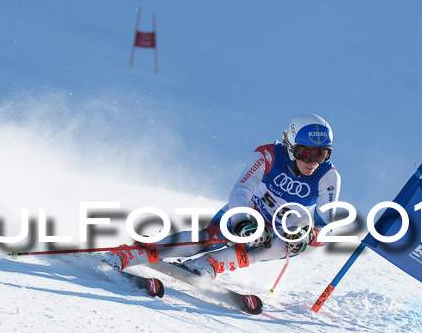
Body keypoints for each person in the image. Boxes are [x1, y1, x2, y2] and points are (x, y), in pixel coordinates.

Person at [104, 113, 341, 280]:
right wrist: (243, 222)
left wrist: (311, 235)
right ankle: (132, 253)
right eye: (306, 153)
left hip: (279, 228)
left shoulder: (328, 176)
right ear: (290, 146)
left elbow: (326, 224)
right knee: (212, 238)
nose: (312, 162)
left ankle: (209, 265)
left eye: (321, 154)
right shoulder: (268, 155)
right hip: (248, 210)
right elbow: (240, 190)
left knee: (285, 245)